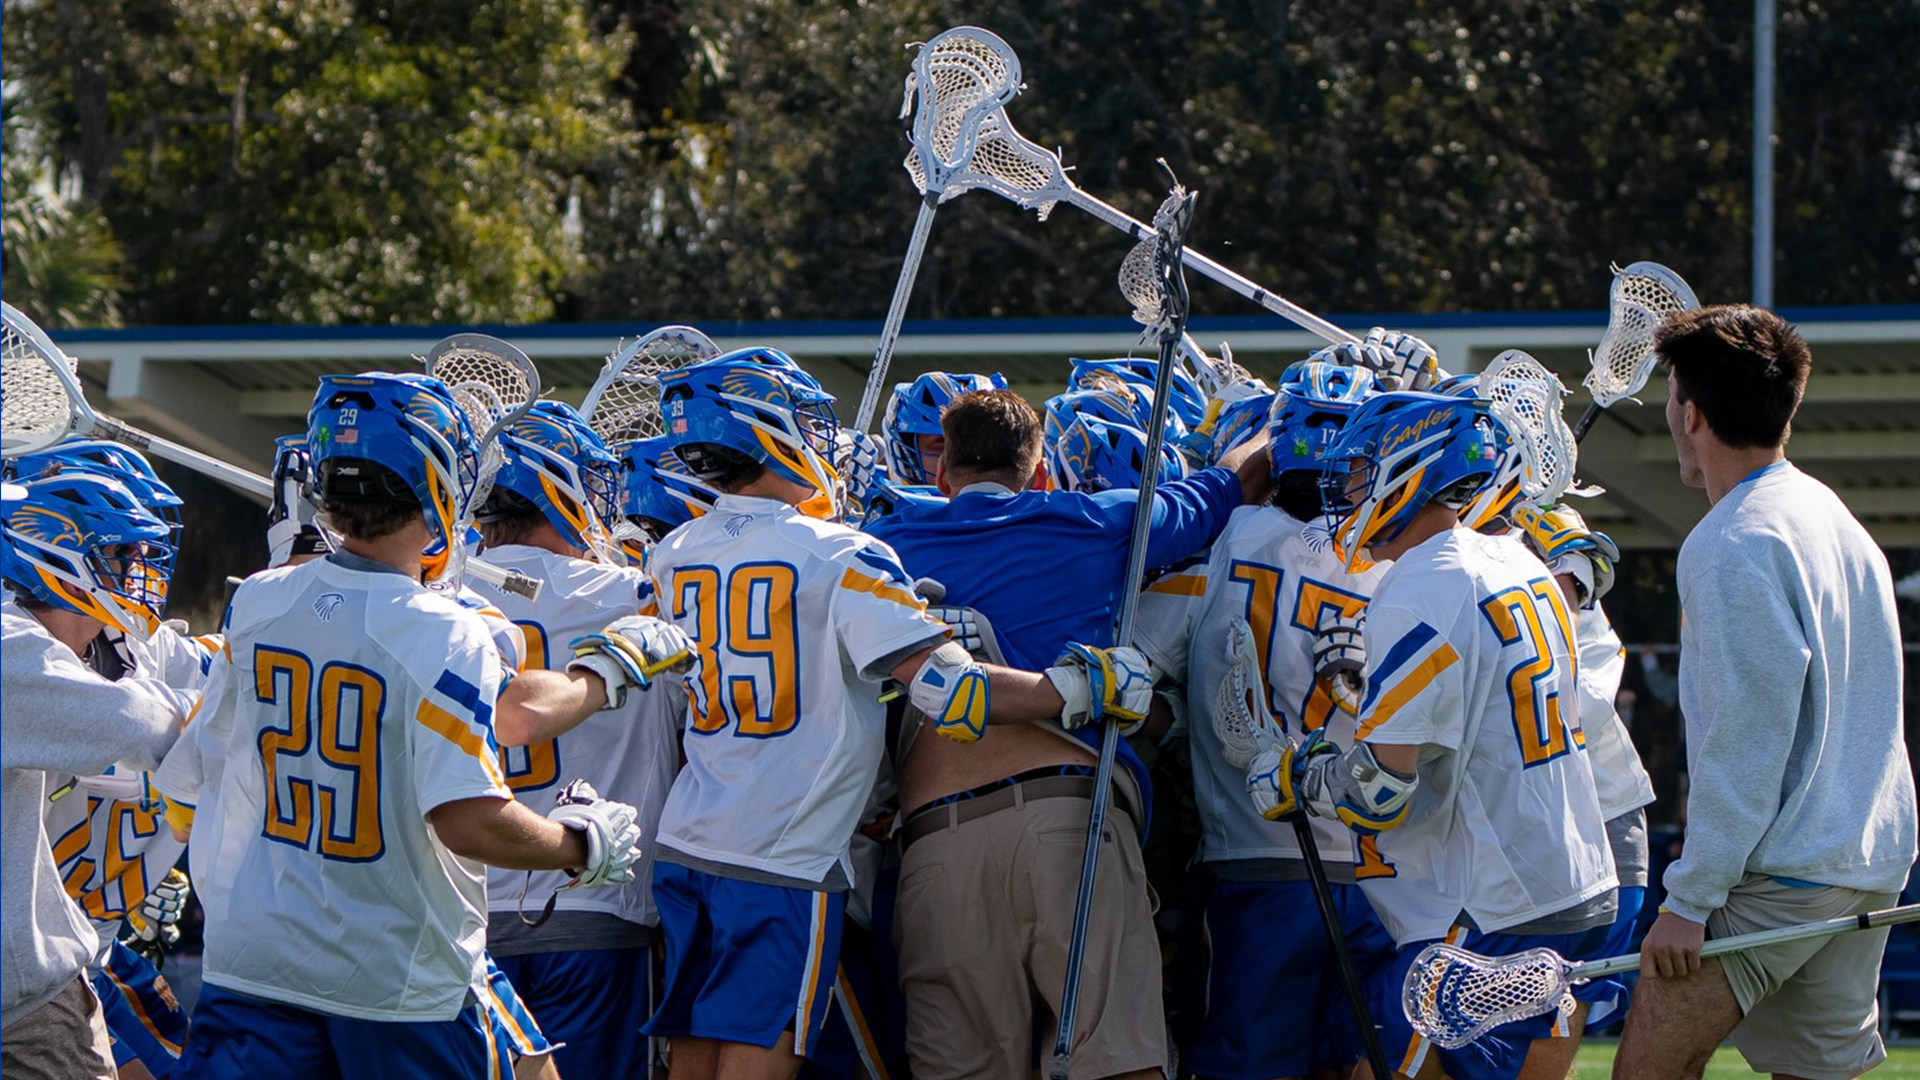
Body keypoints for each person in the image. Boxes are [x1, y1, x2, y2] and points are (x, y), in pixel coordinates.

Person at [642, 350, 1150, 1080]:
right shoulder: (841, 552)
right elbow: (954, 693)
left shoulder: (673, 553)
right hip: (783, 853)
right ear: (771, 431)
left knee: (693, 1062)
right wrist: (1077, 686)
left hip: (690, 836)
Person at [149, 373, 654, 1079]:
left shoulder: (259, 603)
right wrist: (578, 846)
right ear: (440, 481)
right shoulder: (446, 632)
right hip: (394, 979)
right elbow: (468, 820)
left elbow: (187, 789)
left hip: (253, 965)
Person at [865, 381, 1272, 1080]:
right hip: (1067, 819)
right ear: (1042, 471)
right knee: (1116, 1062)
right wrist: (1279, 418)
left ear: (940, 472)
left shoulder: (878, 544)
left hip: (935, 840)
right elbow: (1230, 482)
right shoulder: (1096, 522)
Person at [1254, 389, 1616, 1080]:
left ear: (1410, 468)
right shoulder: (1516, 560)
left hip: (1494, 899)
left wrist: (1301, 775)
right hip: (1573, 873)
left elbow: (1379, 791)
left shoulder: (1425, 581)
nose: (1345, 487)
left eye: (1360, 469)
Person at [1613, 306, 1917, 1080]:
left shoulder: (1733, 541)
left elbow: (1749, 737)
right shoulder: (1832, 515)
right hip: (1868, 856)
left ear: (1691, 413)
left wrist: (1689, 901)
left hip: (1780, 876)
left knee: (1649, 1069)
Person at [1132, 359, 1396, 1079]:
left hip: (1258, 858)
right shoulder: (1395, 559)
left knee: (1248, 1063)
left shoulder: (1225, 541)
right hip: (1388, 867)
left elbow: (1132, 668)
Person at [465, 401, 686, 1079]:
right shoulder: (638, 593)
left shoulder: (433, 591)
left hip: (458, 910)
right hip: (594, 902)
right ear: (560, 487)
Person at [1, 469, 195, 1079]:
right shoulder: (14, 650)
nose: (139, 568)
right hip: (22, 996)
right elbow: (151, 723)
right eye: (119, 552)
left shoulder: (52, 645)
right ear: (53, 553)